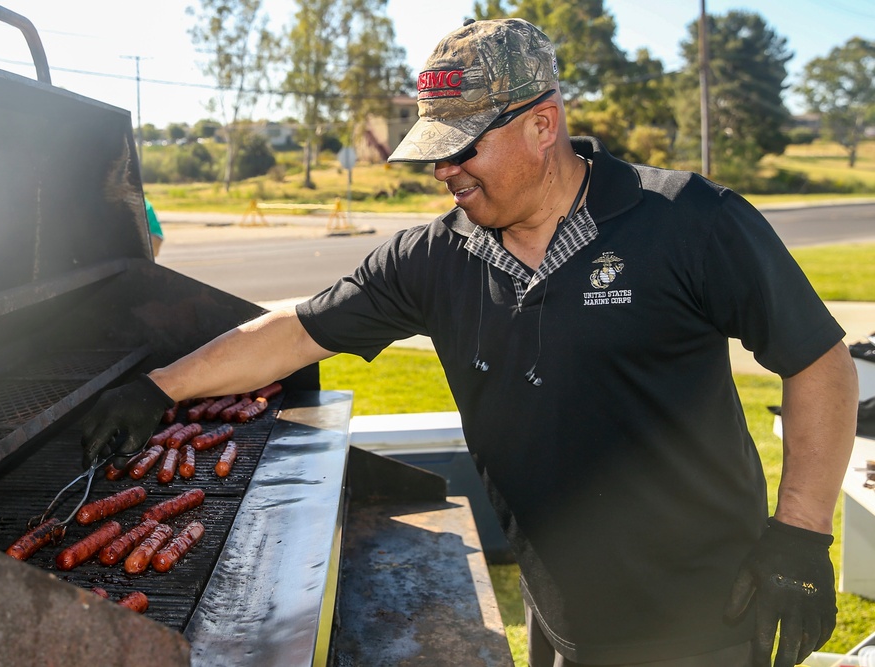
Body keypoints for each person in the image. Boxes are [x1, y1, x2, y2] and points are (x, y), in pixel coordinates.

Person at [80, 18, 859, 667]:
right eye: (435, 150)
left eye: (463, 148)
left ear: (542, 125)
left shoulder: (687, 220)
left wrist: (799, 533)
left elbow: (818, 359)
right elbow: (294, 331)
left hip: (701, 622)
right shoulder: (432, 258)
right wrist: (159, 388)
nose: (444, 171)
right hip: (557, 616)